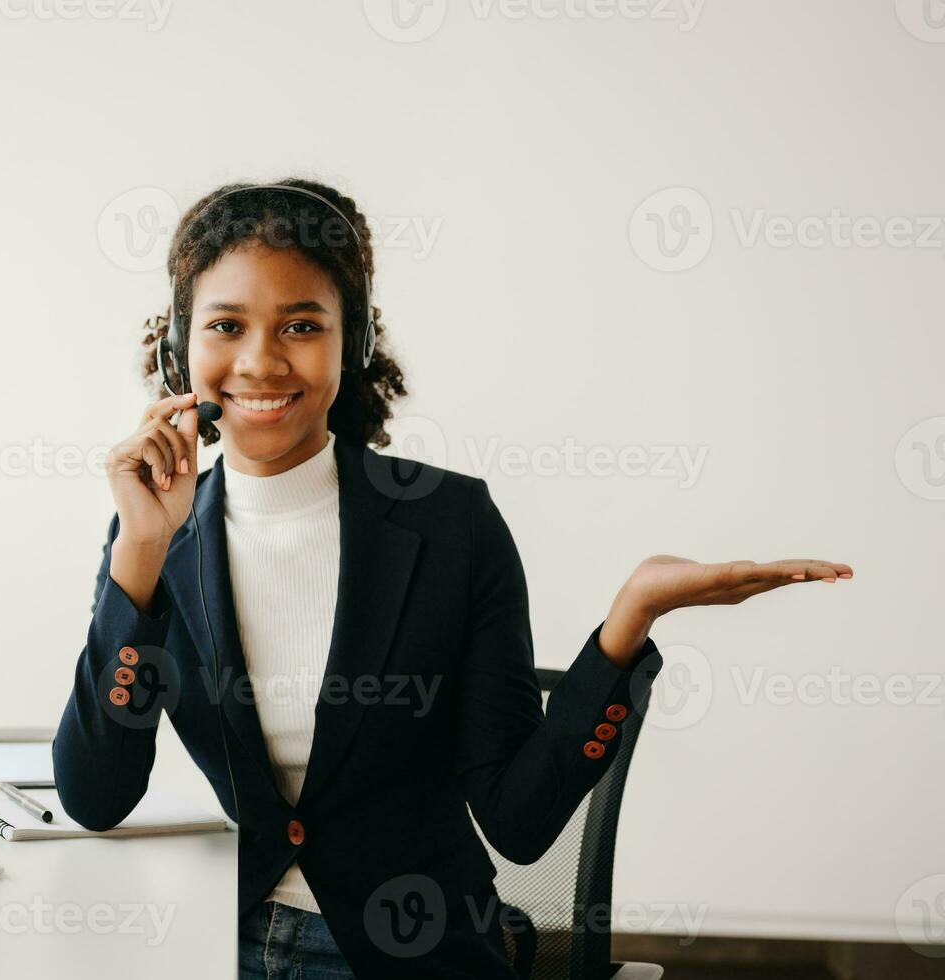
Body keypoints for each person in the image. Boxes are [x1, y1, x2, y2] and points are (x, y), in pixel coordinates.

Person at [52, 179, 852, 978]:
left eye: (302, 325)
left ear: (352, 344)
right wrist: (140, 553)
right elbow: (95, 795)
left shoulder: (449, 524)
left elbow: (519, 819)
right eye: (227, 326)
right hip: (220, 949)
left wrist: (630, 617)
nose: (261, 359)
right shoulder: (157, 539)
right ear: (178, 348)